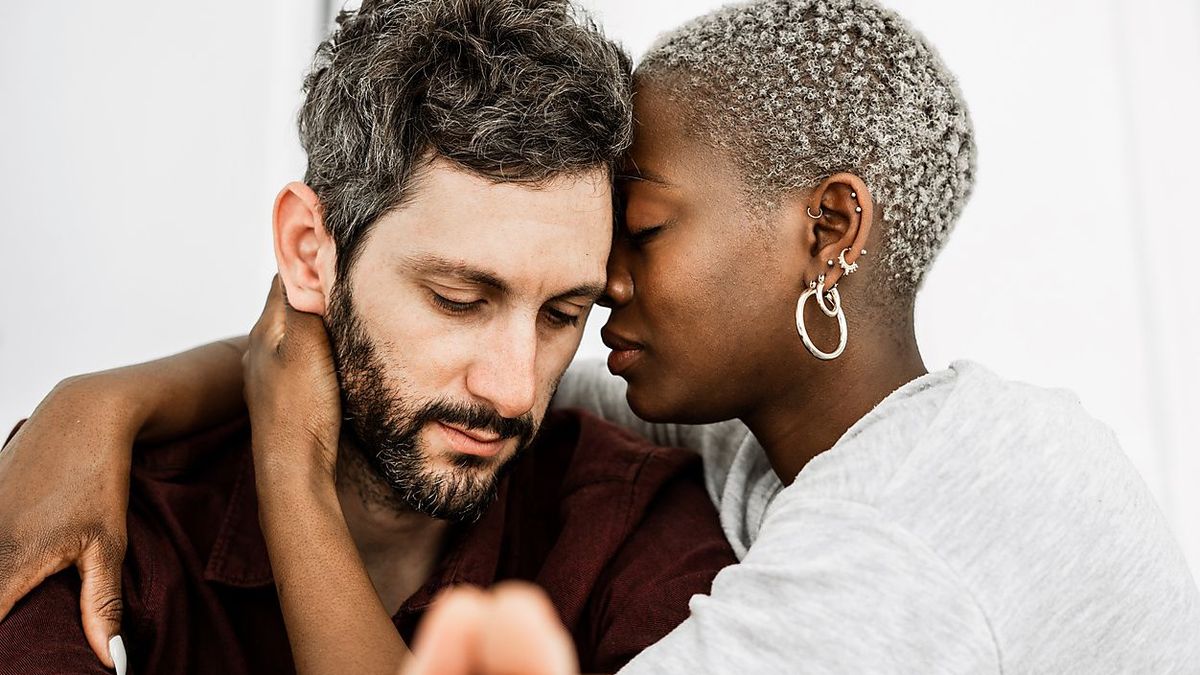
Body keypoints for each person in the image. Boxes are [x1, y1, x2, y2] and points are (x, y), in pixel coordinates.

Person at [6, 0, 1200, 673]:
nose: (597, 296)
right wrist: (92, 406)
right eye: (472, 295)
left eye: (642, 234)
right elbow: (364, 365)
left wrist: (288, 468)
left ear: (830, 227)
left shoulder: (894, 563)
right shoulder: (747, 436)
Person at [0, 1, 739, 674]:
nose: (514, 389)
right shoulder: (108, 519)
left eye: (560, 315)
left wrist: (293, 466)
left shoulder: (633, 534)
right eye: (458, 299)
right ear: (307, 250)